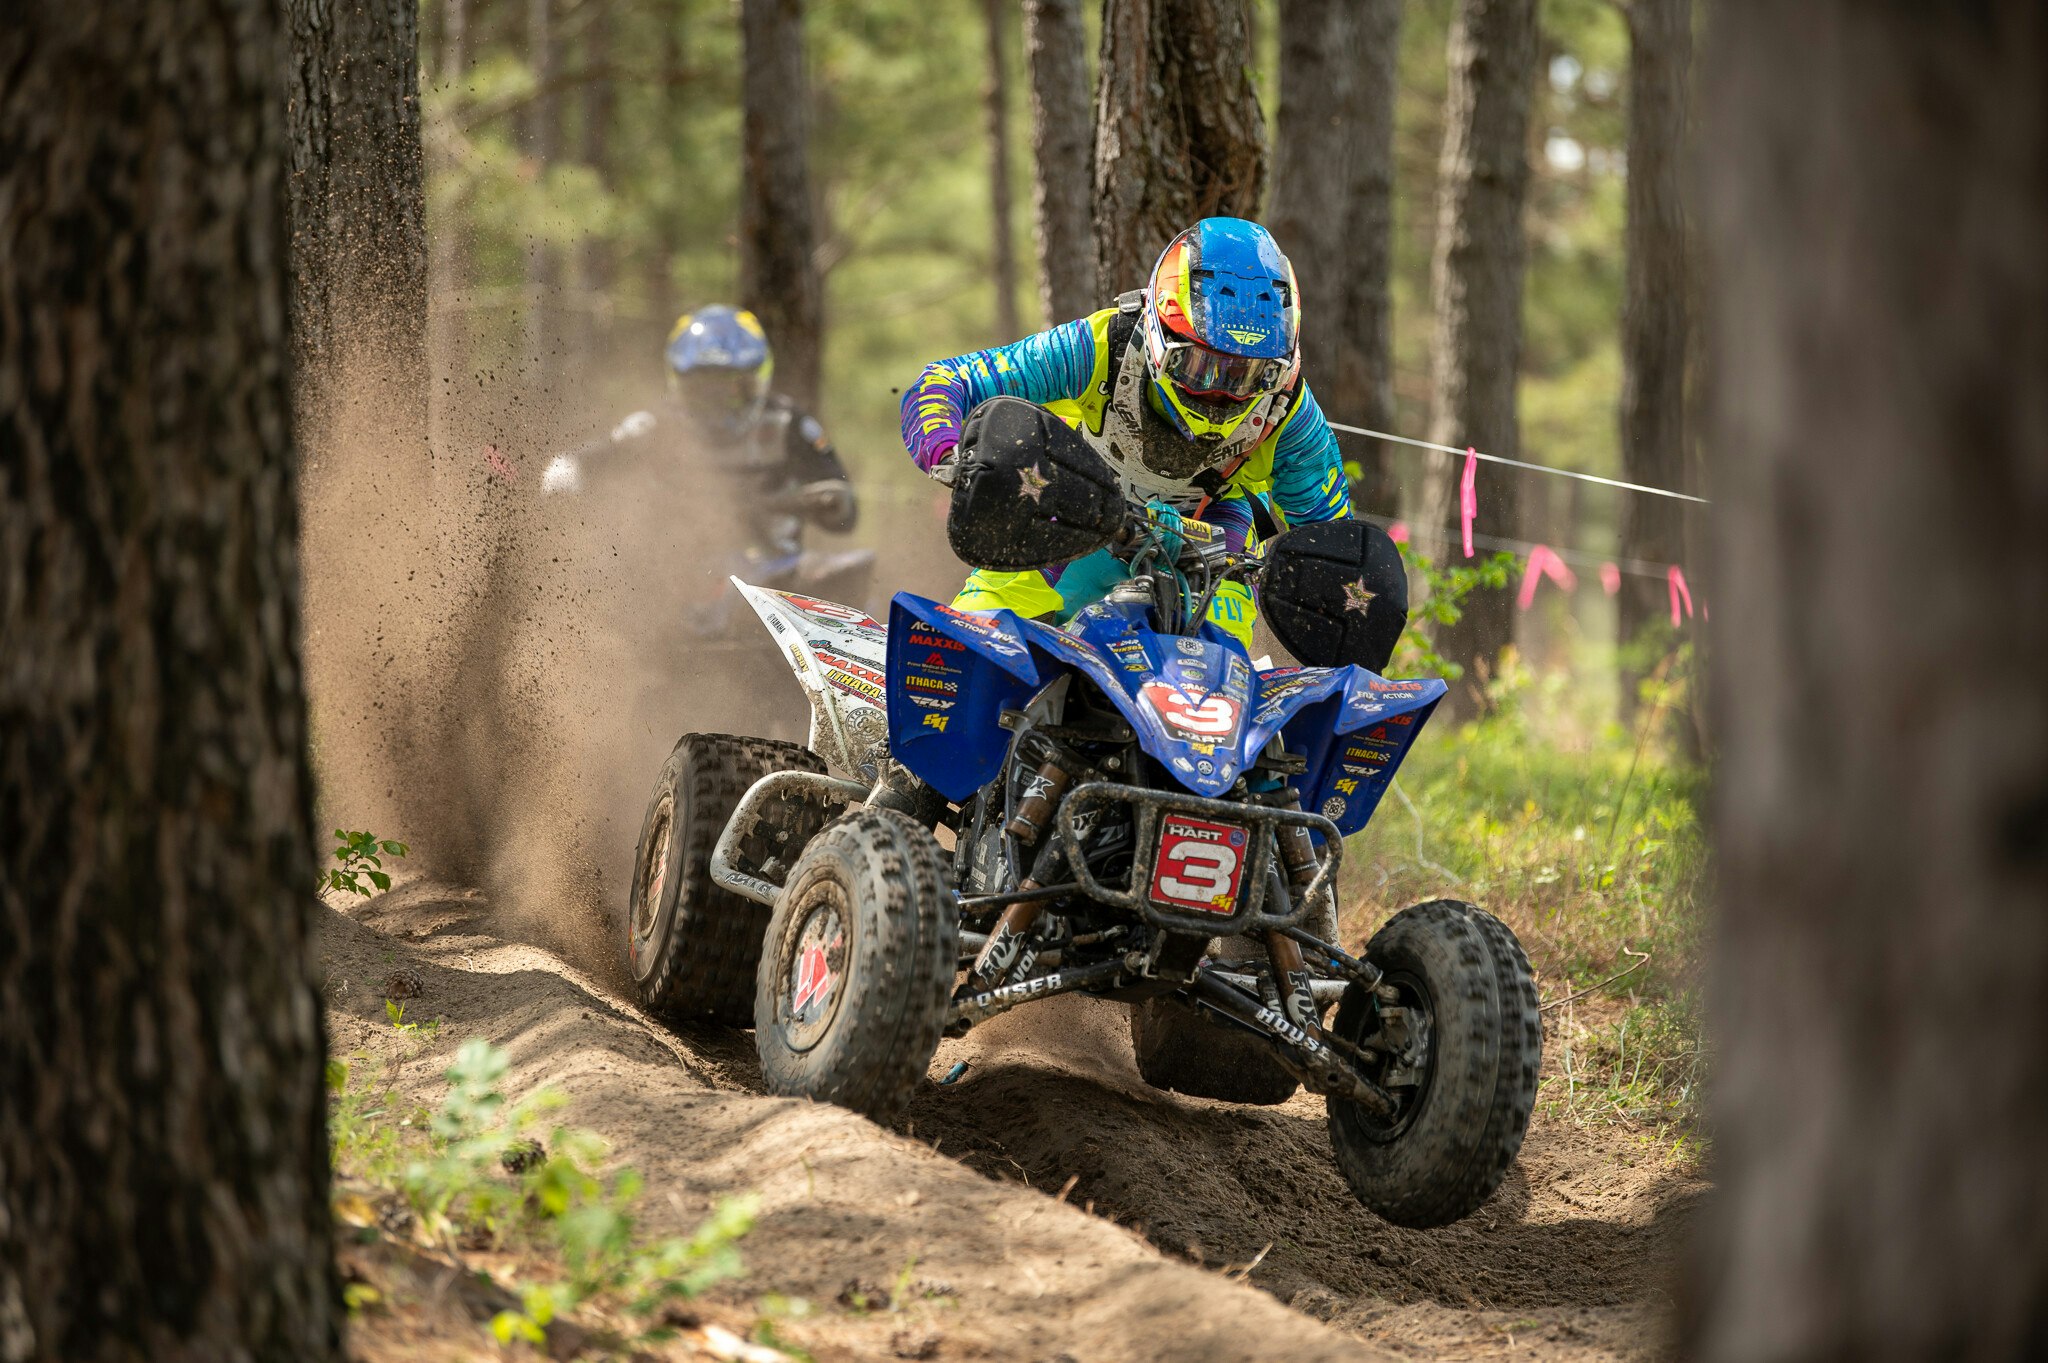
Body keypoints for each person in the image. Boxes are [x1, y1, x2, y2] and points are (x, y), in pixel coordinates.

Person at [899, 218, 1353, 650]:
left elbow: (1332, 542)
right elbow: (946, 380)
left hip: (1213, 548)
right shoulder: (1100, 347)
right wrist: (951, 452)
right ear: (1159, 334)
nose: (1220, 392)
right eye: (1200, 366)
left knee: (1220, 672)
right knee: (963, 646)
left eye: (1250, 376)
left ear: (1281, 369)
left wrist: (1330, 593)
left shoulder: (1289, 408)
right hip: (1072, 515)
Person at [544, 305, 861, 590]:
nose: (719, 404)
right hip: (671, 581)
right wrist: (568, 469)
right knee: (599, 577)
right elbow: (594, 457)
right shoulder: (653, 425)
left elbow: (846, 512)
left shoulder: (787, 424)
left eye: (733, 390)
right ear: (678, 385)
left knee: (846, 577)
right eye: (703, 391)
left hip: (779, 576)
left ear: (759, 380)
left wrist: (832, 500)